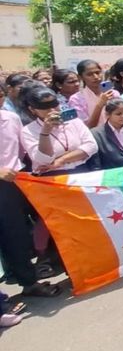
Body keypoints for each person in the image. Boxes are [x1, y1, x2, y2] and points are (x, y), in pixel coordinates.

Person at [0, 84, 62, 298]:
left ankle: (32, 278)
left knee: (27, 232)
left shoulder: (10, 118)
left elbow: (22, 149)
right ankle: (21, 283)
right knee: (10, 236)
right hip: (2, 182)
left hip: (19, 180)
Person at [21, 87, 98, 175]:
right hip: (51, 175)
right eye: (44, 107)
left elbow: (92, 146)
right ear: (32, 110)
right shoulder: (28, 130)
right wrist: (45, 133)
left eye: (54, 105)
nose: (52, 110)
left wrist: (61, 159)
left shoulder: (73, 121)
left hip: (81, 171)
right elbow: (43, 160)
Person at [69, 59, 120, 128]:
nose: (96, 77)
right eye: (89, 74)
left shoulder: (113, 93)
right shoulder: (76, 99)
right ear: (80, 77)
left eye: (98, 73)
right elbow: (87, 127)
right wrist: (100, 105)